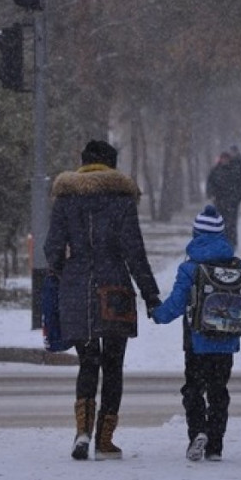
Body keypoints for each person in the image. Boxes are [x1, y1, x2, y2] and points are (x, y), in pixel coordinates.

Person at [43, 139, 162, 461]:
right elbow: (135, 253)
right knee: (113, 365)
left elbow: (52, 249)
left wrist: (64, 269)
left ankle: (82, 432)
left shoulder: (65, 201)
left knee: (87, 362)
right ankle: (105, 441)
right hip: (116, 290)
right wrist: (151, 296)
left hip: (77, 288)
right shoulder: (122, 201)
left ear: (83, 164)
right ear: (111, 164)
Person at [150, 205, 241, 462]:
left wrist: (157, 315)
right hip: (226, 342)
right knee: (219, 391)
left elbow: (176, 304)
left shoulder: (190, 269)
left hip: (196, 342)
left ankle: (198, 432)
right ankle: (215, 447)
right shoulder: (239, 267)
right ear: (222, 235)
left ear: (195, 234)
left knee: (193, 389)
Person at [205, 149, 241, 249]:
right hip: (219, 200)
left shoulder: (234, 170)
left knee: (232, 222)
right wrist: (211, 193)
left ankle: (232, 242)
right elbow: (210, 183)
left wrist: (240, 195)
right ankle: (222, 241)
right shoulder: (215, 170)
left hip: (232, 201)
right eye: (223, 159)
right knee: (221, 222)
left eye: (226, 159)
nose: (224, 161)